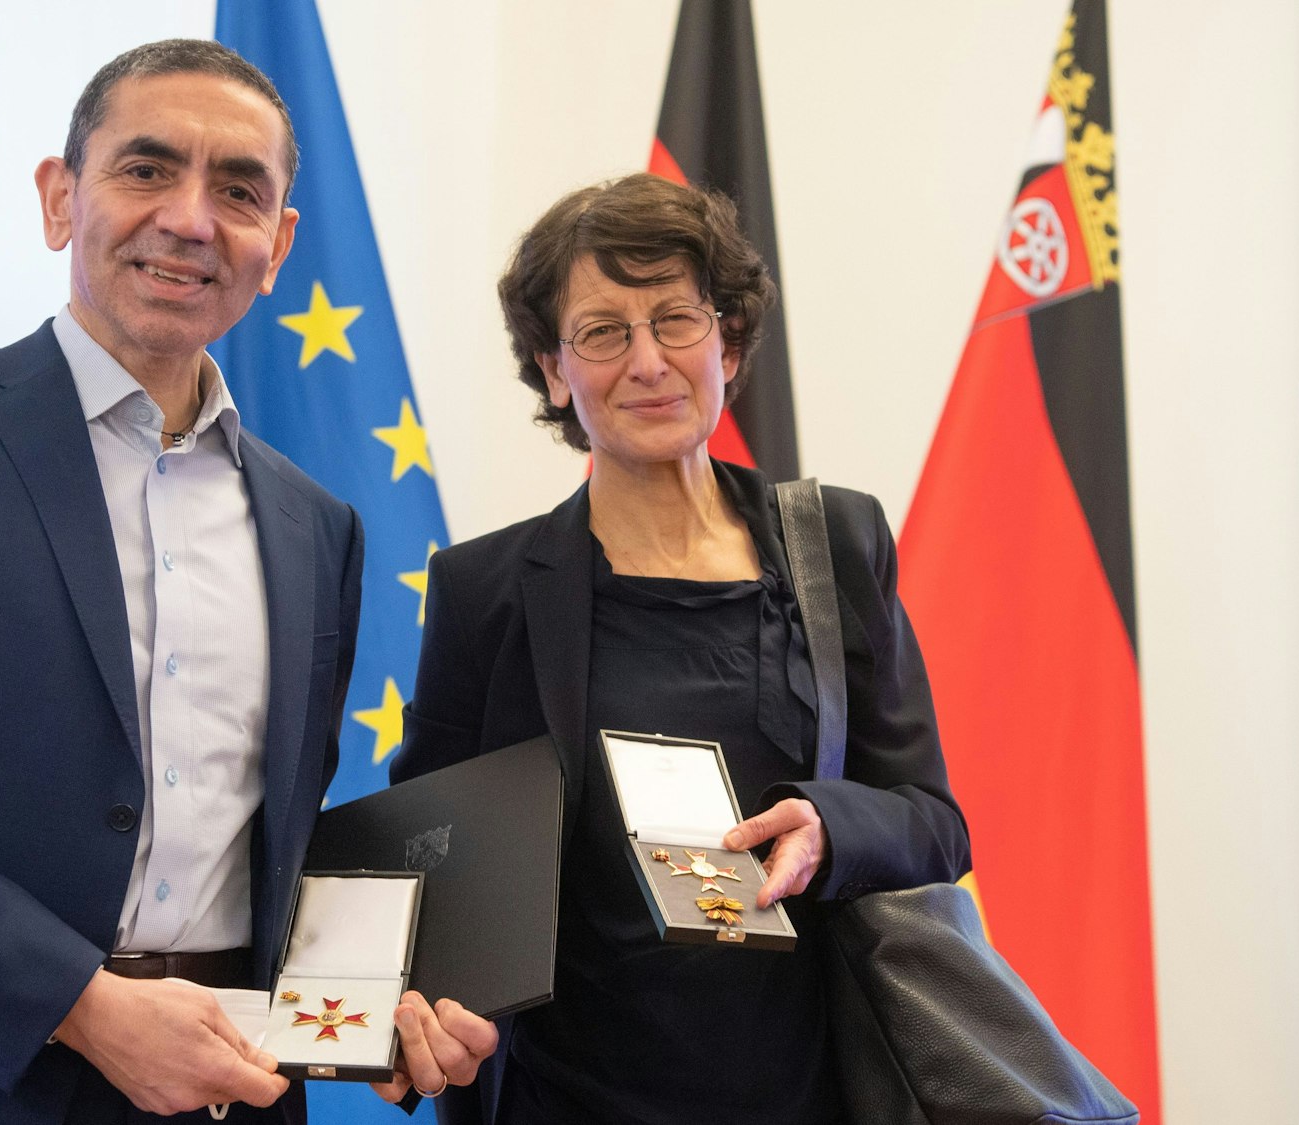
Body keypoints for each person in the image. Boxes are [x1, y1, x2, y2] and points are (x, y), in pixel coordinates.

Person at [0, 39, 492, 1125]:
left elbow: (277, 848)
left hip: (216, 1092)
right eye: (144, 169)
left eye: (238, 191)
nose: (189, 217)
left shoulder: (319, 528)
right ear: (58, 196)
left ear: (277, 247)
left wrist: (368, 1007)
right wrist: (78, 1003)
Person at [389, 173, 973, 1124]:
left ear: (728, 342)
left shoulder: (838, 545)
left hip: (809, 1094)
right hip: (564, 1098)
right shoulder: (484, 592)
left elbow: (935, 821)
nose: (648, 362)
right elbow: (429, 869)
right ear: (552, 370)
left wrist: (830, 826)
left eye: (677, 319)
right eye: (602, 331)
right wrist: (407, 1019)